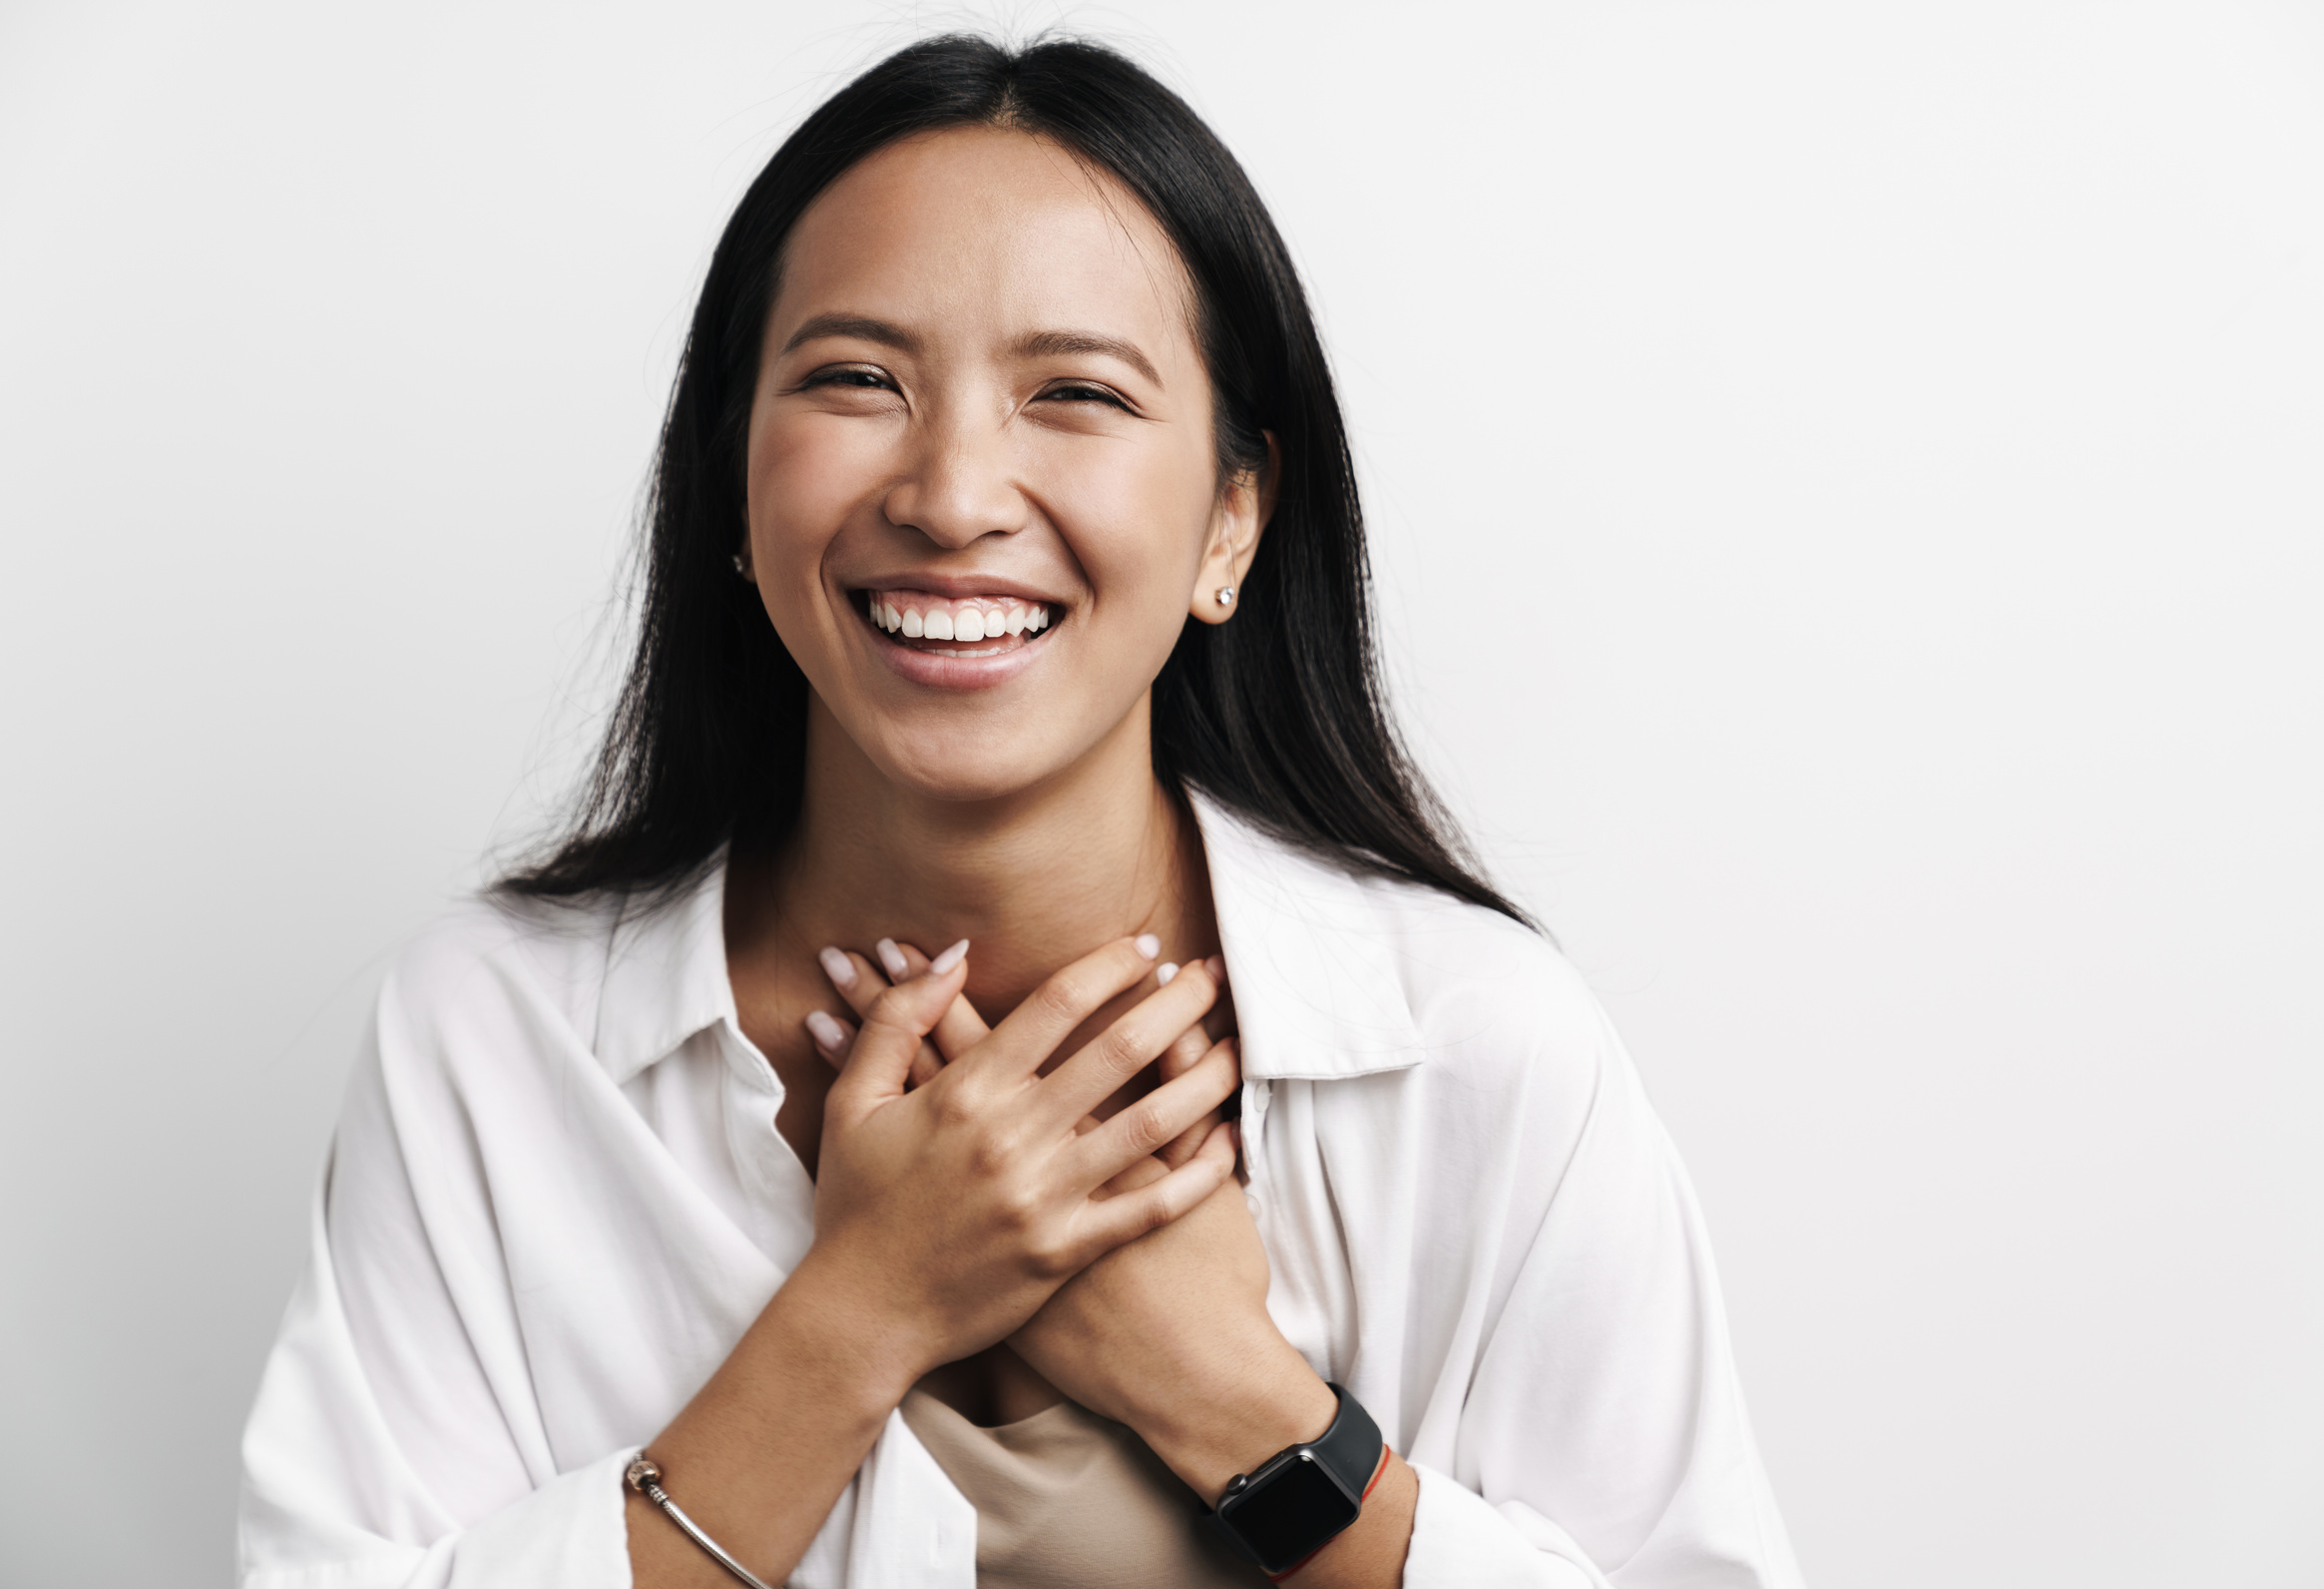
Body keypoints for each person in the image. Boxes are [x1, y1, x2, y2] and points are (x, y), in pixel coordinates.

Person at [237, 33, 1803, 1589]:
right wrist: (871, 1306)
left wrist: (1235, 1405)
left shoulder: (1476, 1050)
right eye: (856, 379)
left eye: (1074, 392)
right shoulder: (493, 1034)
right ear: (729, 486)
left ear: (1231, 521)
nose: (951, 492)